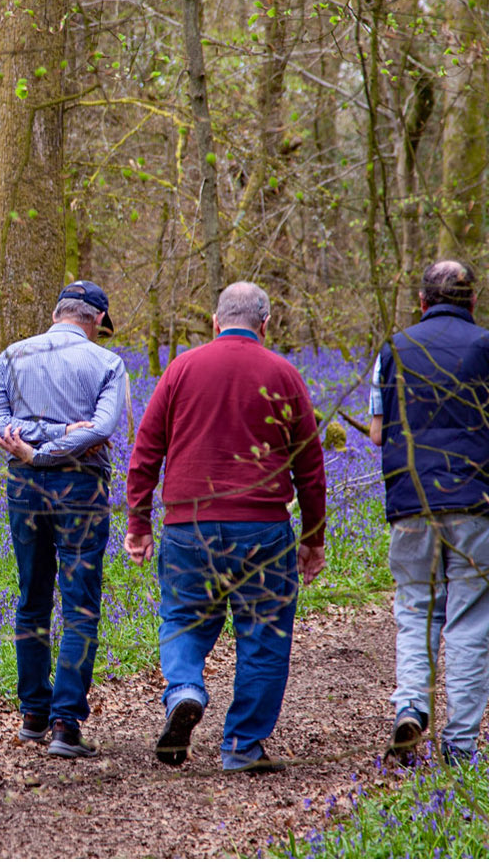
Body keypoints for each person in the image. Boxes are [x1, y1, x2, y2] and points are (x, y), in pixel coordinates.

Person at [124, 281, 327, 774]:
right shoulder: (284, 374)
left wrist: (138, 521)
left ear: (215, 322)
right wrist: (313, 538)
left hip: (188, 526)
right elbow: (311, 466)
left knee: (183, 620)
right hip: (263, 529)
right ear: (265, 325)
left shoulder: (181, 369)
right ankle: (242, 746)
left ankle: (186, 690)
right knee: (263, 635)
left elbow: (146, 449)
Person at [368, 260, 489, 765]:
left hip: (412, 503)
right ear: (474, 301)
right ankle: (459, 745)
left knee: (416, 613)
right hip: (479, 503)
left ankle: (411, 706)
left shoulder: (393, 350)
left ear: (422, 301)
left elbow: (375, 430)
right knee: (468, 627)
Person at [0, 281, 129, 759]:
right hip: (82, 488)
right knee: (80, 605)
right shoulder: (108, 364)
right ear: (98, 322)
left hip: (23, 485)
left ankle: (33, 714)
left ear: (55, 312)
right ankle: (66, 724)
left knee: (32, 598)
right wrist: (63, 435)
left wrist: (33, 449)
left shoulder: (11, 355)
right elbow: (102, 428)